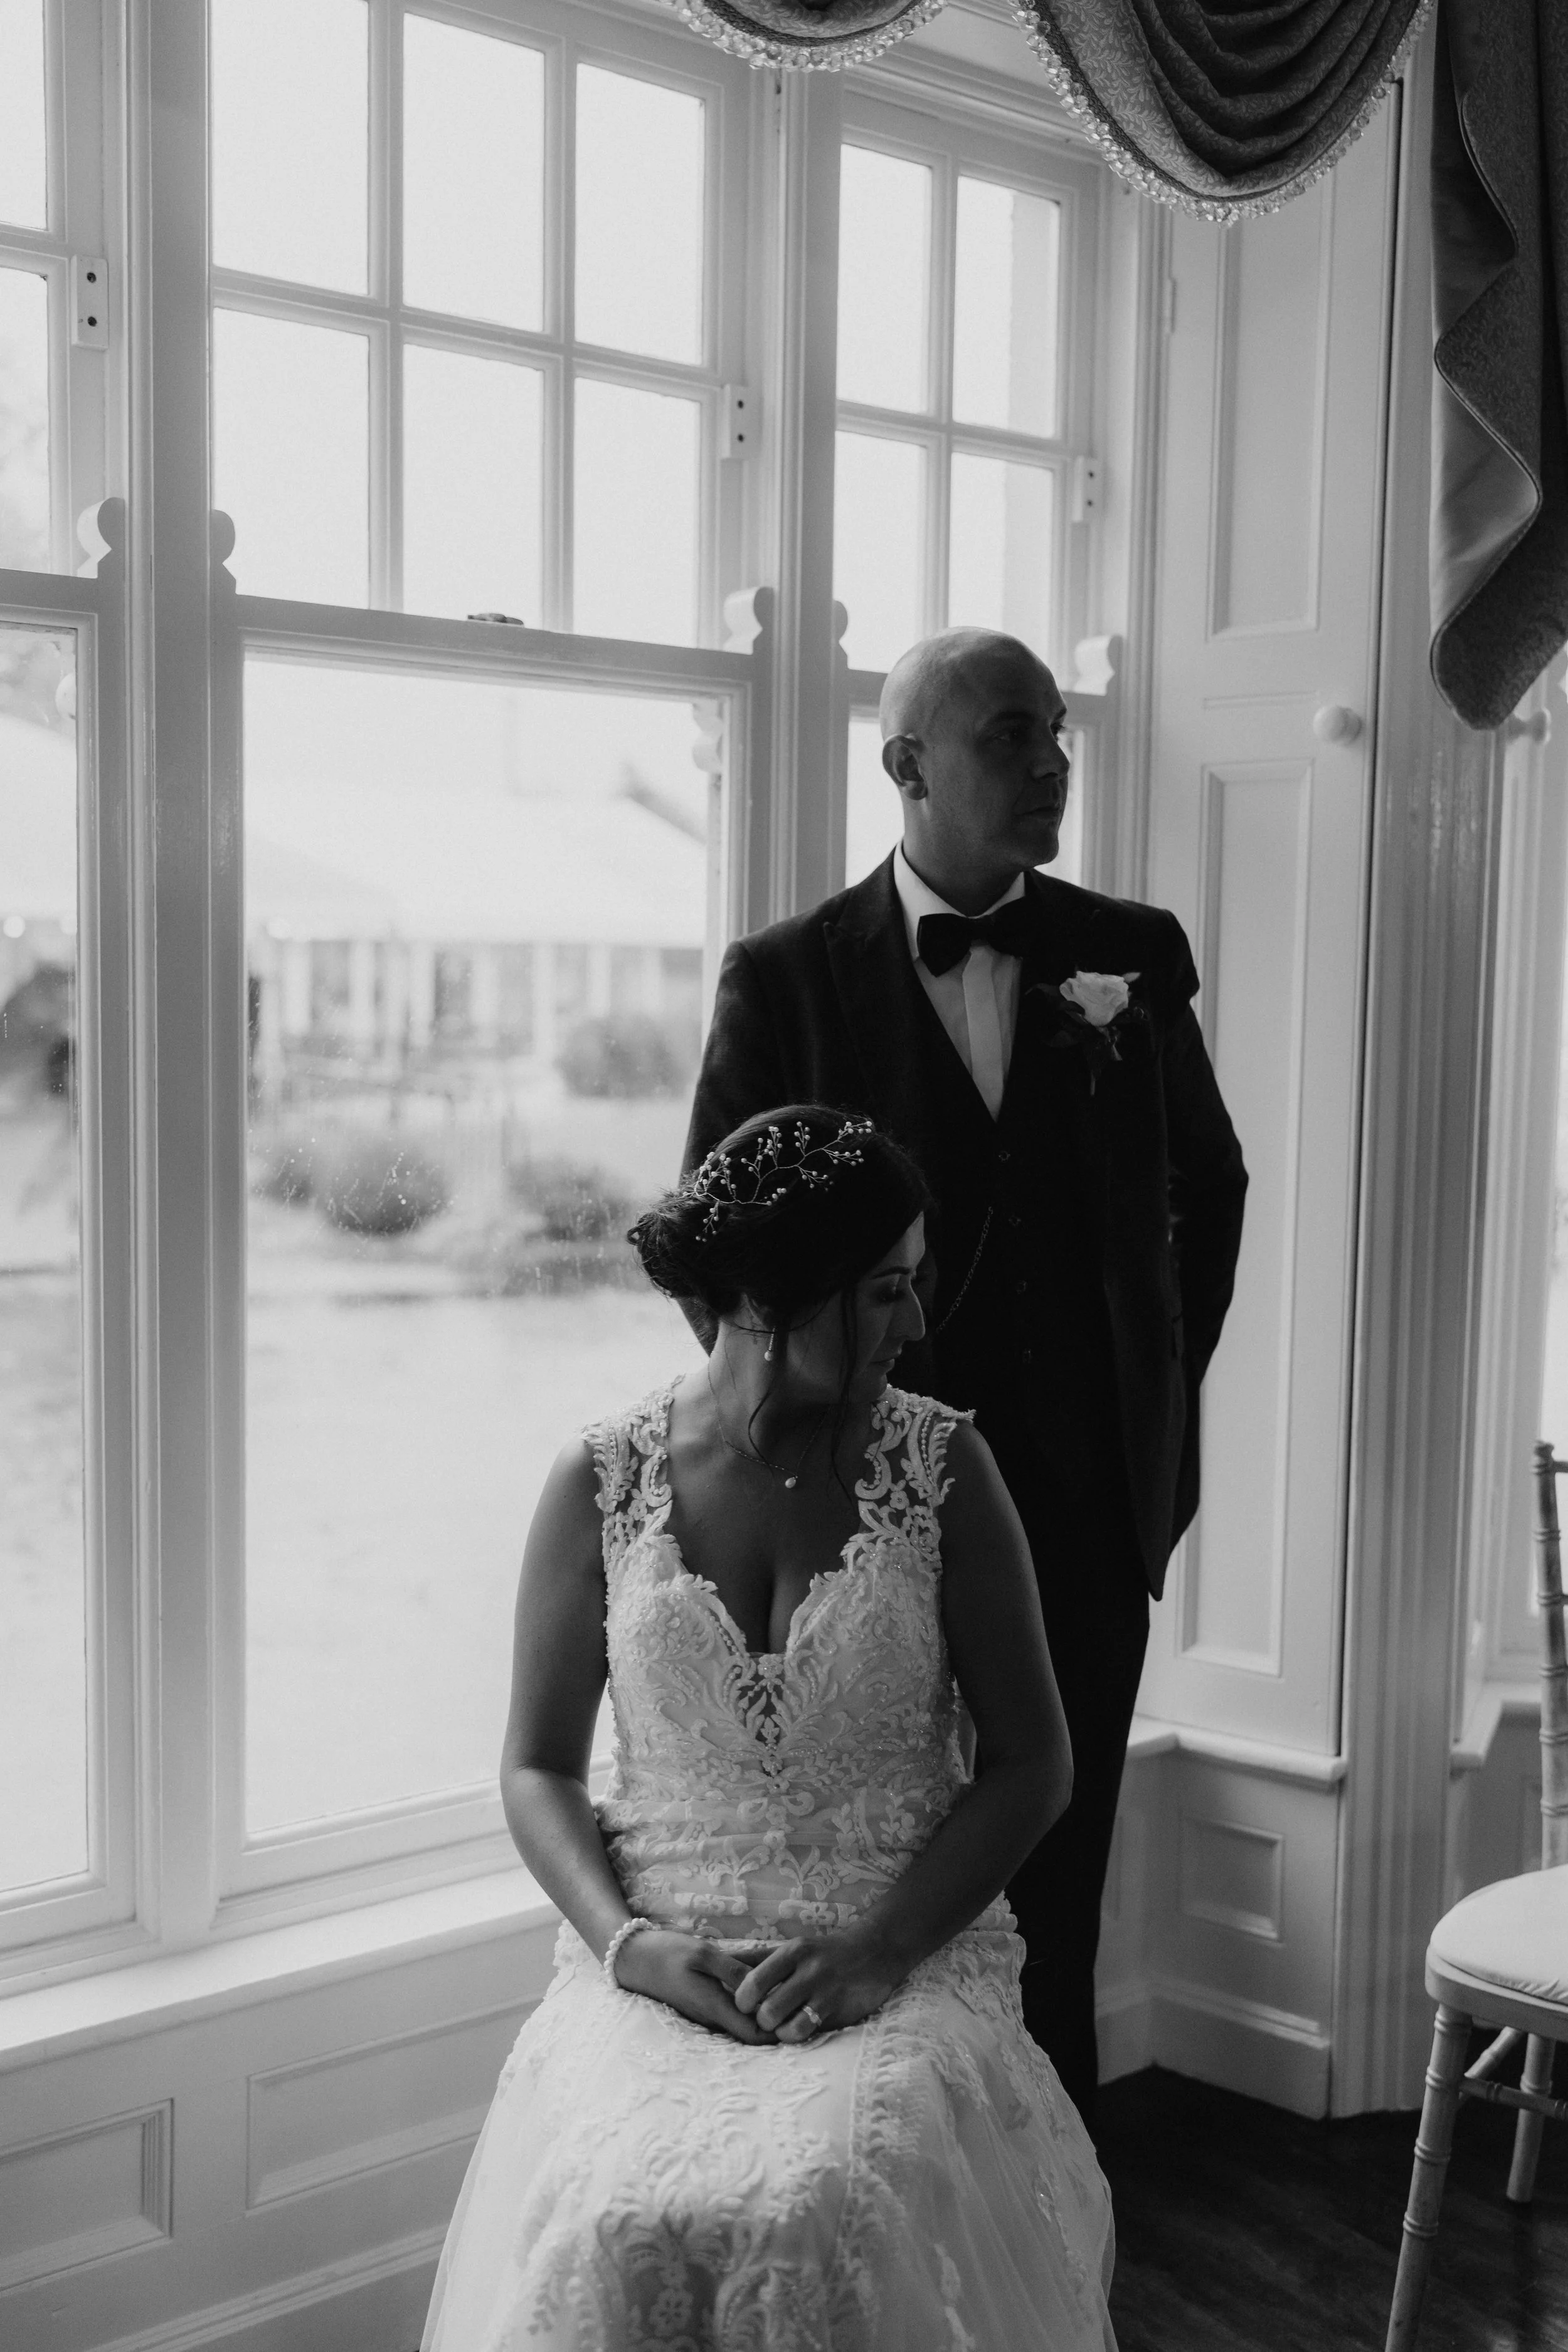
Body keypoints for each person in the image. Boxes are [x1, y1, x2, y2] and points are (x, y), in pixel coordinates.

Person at [422, 1105, 1117, 2352]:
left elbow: (1032, 1763)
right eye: (885, 1291)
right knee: (612, 2218)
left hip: (897, 1943)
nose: (916, 1322)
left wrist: (874, 1950)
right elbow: (533, 1767)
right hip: (657, 1947)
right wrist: (627, 1945)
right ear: (766, 1299)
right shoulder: (598, 1479)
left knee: (827, 2204)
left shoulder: (947, 1470)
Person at [684, 629, 1248, 2122]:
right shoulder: (787, 977)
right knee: (874, 1878)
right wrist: (823, 1447)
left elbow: (1209, 1186)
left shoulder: (1128, 952)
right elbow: (717, 1263)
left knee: (1053, 1893)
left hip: (1078, 1509)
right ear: (907, 765)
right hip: (857, 1535)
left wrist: (1142, 1391)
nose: (1052, 760)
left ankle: (1053, 2237)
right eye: (1012, 734)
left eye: (1059, 732)